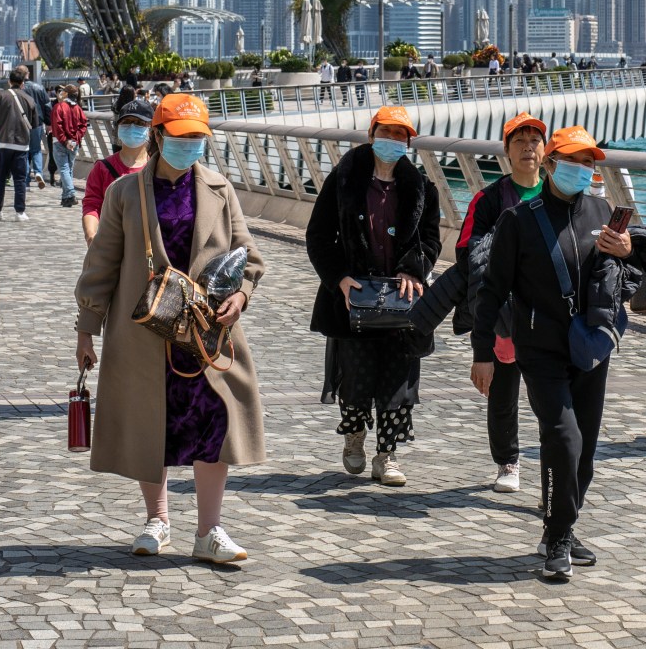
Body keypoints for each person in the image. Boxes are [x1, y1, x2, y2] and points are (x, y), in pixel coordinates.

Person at [74, 93, 266, 562]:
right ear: (160, 137)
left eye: (198, 137)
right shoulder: (126, 191)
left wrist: (240, 295)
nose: (190, 145)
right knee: (150, 420)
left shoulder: (220, 189)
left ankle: (210, 532)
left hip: (205, 332)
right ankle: (157, 520)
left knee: (211, 422)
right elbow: (102, 264)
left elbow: (247, 254)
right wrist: (86, 329)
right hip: (144, 332)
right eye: (182, 137)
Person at [474, 126, 634, 581]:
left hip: (590, 347)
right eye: (572, 161)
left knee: (584, 450)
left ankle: (559, 525)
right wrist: (483, 352)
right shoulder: (519, 221)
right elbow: (490, 292)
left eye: (588, 163)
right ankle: (558, 537)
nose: (581, 170)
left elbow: (613, 273)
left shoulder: (602, 210)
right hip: (540, 349)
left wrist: (626, 248)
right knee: (563, 439)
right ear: (549, 164)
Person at [306, 106, 441, 488]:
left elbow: (431, 238)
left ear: (409, 143)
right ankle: (354, 437)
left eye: (401, 136)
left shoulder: (421, 188)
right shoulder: (344, 179)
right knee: (355, 375)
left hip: (401, 298)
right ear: (371, 135)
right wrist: (340, 279)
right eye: (387, 133)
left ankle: (388, 455)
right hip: (354, 298)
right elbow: (318, 236)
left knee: (399, 378)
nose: (393, 141)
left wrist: (414, 269)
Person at [455, 113, 549, 494]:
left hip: (548, 315)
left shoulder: (555, 193)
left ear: (546, 150)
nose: (528, 147)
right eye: (519, 141)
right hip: (505, 314)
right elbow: (466, 250)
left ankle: (552, 461)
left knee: (551, 394)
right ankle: (507, 462)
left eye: (535, 140)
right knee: (503, 390)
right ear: (507, 151)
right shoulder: (489, 199)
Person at [82, 99, 154, 244]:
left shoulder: (157, 167)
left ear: (151, 129)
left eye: (139, 123)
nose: (132, 127)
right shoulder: (102, 168)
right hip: (112, 243)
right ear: (118, 126)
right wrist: (91, 235)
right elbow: (92, 204)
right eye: (126, 122)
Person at [0, 68, 38, 222]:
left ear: (9, 81)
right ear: (22, 83)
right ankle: (20, 212)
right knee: (20, 179)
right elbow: (34, 124)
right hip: (21, 145)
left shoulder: (1, 95)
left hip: (1, 143)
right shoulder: (29, 99)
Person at [51, 83, 89, 208]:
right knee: (69, 169)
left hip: (60, 142)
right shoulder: (78, 108)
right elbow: (84, 124)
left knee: (63, 168)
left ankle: (71, 194)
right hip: (74, 141)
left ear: (66, 93)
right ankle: (66, 197)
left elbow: (57, 126)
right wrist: (76, 137)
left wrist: (64, 140)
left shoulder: (59, 106)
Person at [16, 66, 52, 190]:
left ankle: (26, 181)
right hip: (37, 123)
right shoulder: (39, 87)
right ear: (28, 74)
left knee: (24, 151)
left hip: (21, 124)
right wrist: (48, 123)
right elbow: (47, 105)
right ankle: (38, 172)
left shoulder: (18, 89)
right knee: (36, 150)